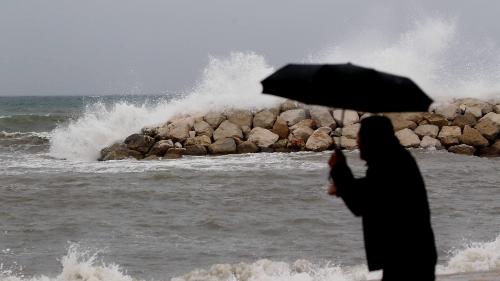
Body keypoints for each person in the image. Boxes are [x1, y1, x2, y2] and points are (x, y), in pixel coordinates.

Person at [328, 115, 437, 281]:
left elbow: (360, 203)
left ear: (372, 139)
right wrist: (341, 174)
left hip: (408, 258)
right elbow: (370, 191)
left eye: (360, 136)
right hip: (409, 255)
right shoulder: (393, 159)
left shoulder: (390, 164)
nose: (357, 141)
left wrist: (340, 170)